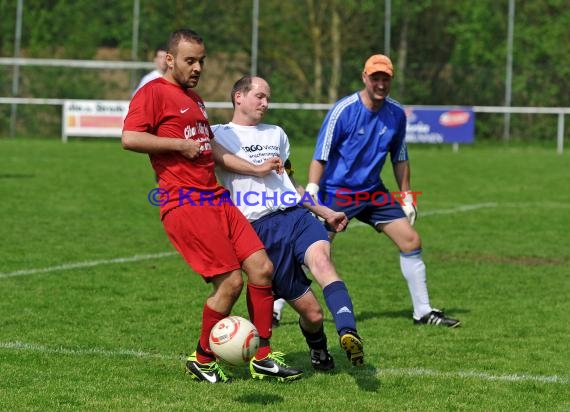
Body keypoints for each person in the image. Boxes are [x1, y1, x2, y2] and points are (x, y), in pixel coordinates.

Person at [122, 28, 303, 384]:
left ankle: (263, 356)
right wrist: (177, 145)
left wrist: (253, 168)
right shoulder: (153, 93)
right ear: (170, 59)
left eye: (201, 60)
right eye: (190, 60)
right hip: (185, 201)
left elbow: (210, 147)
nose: (198, 67)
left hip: (216, 197)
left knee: (262, 268)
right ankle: (203, 358)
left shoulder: (196, 98)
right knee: (231, 283)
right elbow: (129, 137)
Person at [212, 75, 364, 368]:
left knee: (322, 262)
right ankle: (319, 350)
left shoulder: (277, 134)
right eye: (260, 96)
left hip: (297, 217)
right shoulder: (218, 134)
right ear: (239, 97)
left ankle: (348, 330)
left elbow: (290, 185)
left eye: (268, 98)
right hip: (261, 231)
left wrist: (324, 212)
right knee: (313, 314)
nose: (266, 103)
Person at [303, 54, 460, 328]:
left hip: (373, 193)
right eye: (375, 78)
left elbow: (399, 156)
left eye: (385, 78)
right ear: (364, 78)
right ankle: (277, 307)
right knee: (313, 251)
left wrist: (406, 195)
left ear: (391, 80)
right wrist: (314, 190)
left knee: (411, 241)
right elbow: (321, 154)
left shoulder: (396, 114)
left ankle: (422, 312)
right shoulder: (344, 110)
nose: (380, 83)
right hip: (336, 192)